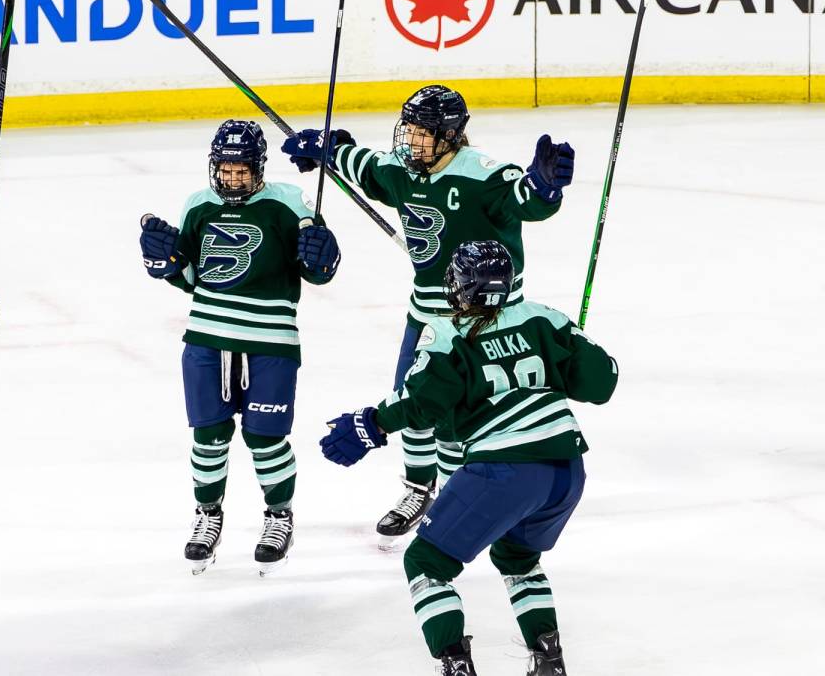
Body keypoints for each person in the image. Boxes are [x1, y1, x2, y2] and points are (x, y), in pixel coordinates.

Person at [281, 86, 574, 546]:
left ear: (451, 137)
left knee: (474, 417)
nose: (411, 141)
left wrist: (545, 187)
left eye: (422, 134)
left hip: (488, 320)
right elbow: (365, 167)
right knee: (410, 405)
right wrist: (328, 148)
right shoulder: (400, 169)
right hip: (427, 317)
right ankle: (419, 489)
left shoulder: (484, 175)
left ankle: (468, 495)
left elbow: (526, 199)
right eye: (409, 130)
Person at [320, 240, 618, 676]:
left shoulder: (448, 333)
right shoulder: (544, 319)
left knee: (425, 562)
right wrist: (577, 347)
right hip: (567, 471)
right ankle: (549, 660)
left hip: (506, 469)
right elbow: (601, 383)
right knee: (518, 559)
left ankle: (456, 666)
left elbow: (423, 403)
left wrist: (371, 424)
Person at [140, 120, 340, 575]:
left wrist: (325, 256)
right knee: (208, 437)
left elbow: (318, 271)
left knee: (265, 438)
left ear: (259, 168)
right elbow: (189, 277)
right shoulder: (199, 205)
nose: (233, 179)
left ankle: (278, 516)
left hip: (271, 341)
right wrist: (163, 262)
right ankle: (208, 516)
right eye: (225, 170)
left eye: (242, 171)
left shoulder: (289, 202)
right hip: (207, 339)